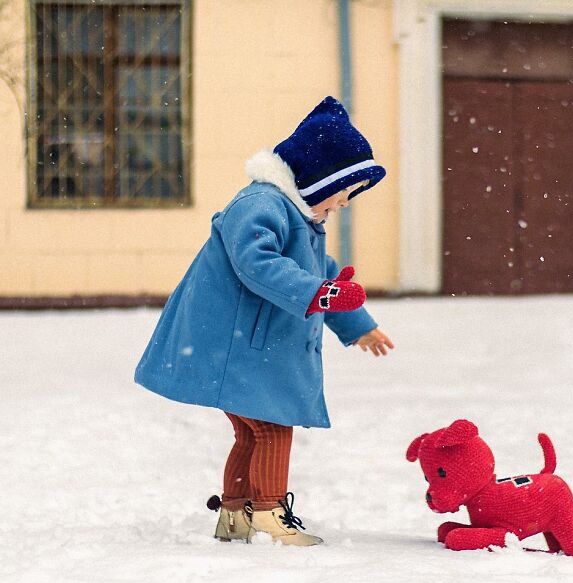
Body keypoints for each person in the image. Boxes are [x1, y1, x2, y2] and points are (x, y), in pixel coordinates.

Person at [134, 97, 394, 546]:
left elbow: (324, 273)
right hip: (238, 349)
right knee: (271, 428)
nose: (343, 205)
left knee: (251, 434)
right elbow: (257, 263)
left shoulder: (300, 216)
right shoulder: (260, 205)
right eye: (343, 194)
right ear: (319, 178)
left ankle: (235, 514)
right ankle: (270, 514)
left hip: (251, 350)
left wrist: (357, 324)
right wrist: (320, 294)